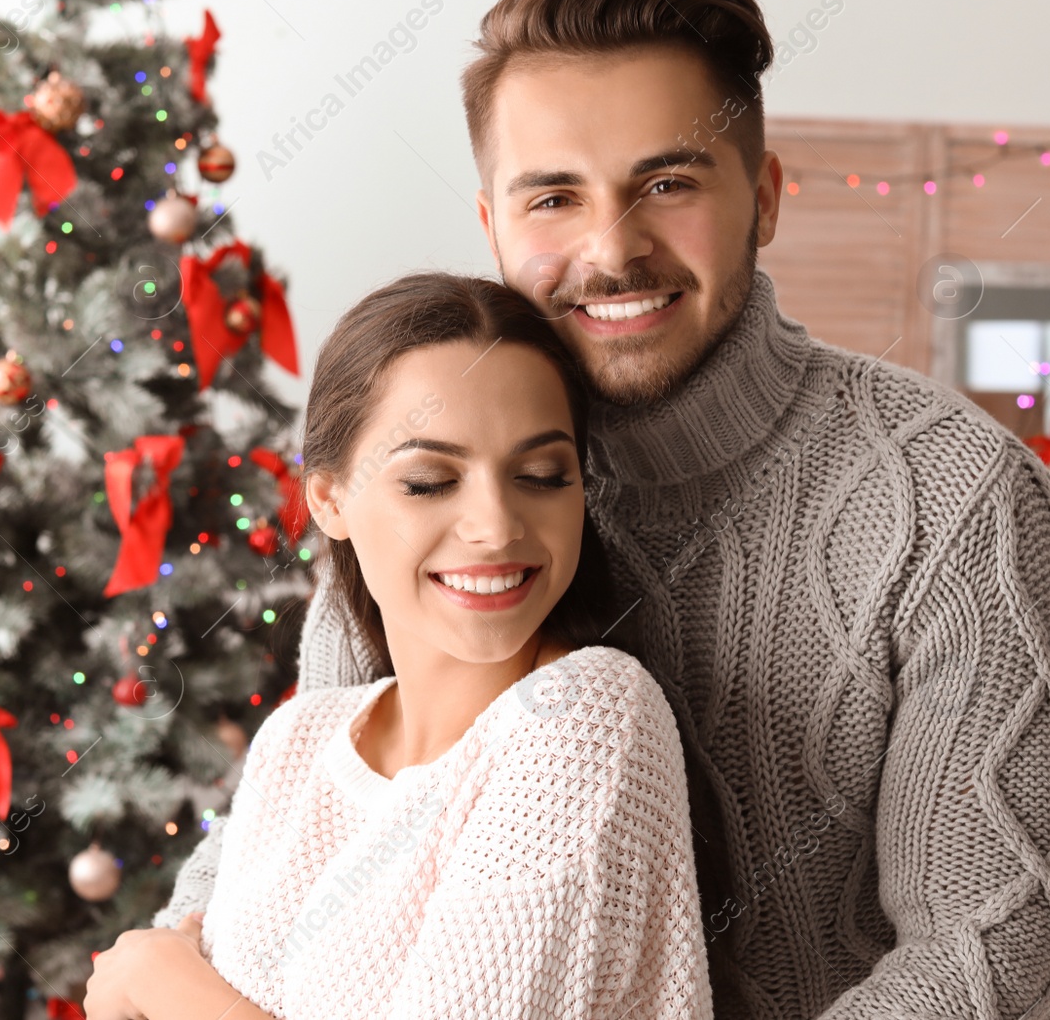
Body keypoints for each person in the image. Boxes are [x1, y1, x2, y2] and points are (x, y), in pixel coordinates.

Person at [152, 0, 1050, 1019]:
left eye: (668, 183)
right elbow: (313, 811)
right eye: (553, 195)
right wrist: (164, 958)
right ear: (492, 221)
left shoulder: (955, 495)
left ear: (767, 197)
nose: (611, 249)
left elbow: (982, 952)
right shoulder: (423, 496)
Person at [83, 273, 712, 1019]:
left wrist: (161, 976)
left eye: (542, 475)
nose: (497, 524)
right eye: (428, 481)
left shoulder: (588, 715)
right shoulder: (296, 742)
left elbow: (150, 989)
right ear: (329, 500)